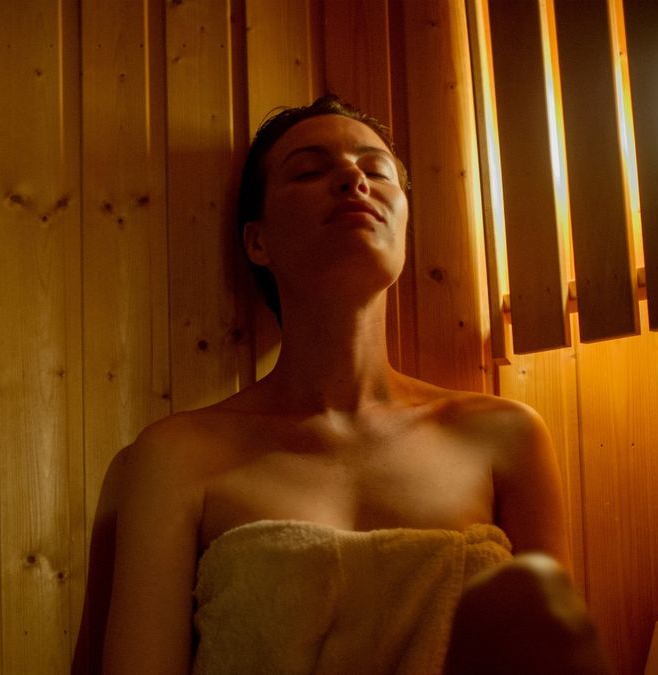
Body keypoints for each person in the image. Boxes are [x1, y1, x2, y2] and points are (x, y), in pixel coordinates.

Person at [73, 95, 609, 674]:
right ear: (258, 243)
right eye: (309, 169)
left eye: (376, 170)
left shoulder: (505, 436)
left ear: (403, 221)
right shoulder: (176, 456)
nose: (354, 177)